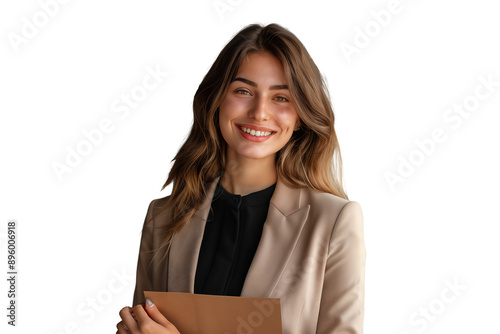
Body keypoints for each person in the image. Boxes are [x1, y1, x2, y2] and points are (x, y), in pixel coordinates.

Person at [116, 23, 366, 334]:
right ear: (217, 100)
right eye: (243, 91)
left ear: (301, 115)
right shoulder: (162, 218)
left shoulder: (333, 221)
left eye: (281, 98)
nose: (259, 112)